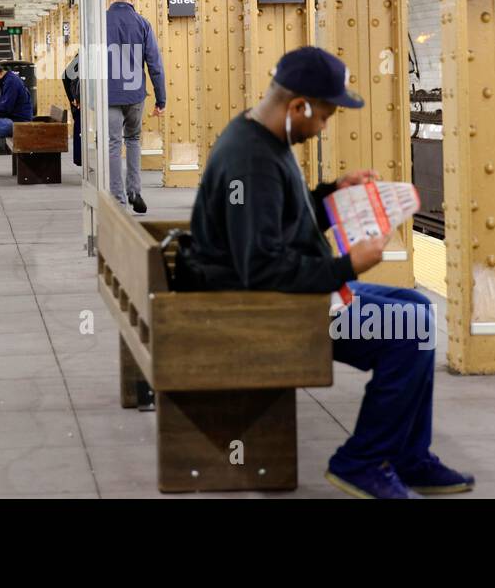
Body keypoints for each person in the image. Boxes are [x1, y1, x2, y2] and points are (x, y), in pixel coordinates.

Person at [185, 45, 474, 500]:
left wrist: (332, 194)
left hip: (269, 295)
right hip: (264, 310)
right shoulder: (253, 162)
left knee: (416, 308)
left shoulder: (258, 136)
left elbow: (278, 221)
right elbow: (261, 269)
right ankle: (362, 461)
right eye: (324, 116)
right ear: (298, 105)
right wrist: (348, 264)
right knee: (409, 329)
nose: (323, 128)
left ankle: (405, 455)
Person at [106, 0, 165, 213]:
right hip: (135, 93)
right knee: (132, 140)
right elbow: (155, 65)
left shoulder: (99, 22)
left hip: (109, 93)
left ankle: (117, 198)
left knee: (113, 143)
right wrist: (161, 99)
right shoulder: (142, 23)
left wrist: (83, 95)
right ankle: (135, 191)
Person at [62, 51, 81, 167]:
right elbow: (66, 76)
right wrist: (73, 99)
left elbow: (65, 76)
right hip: (82, 101)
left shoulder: (81, 56)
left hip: (78, 101)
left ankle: (81, 159)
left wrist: (72, 99)